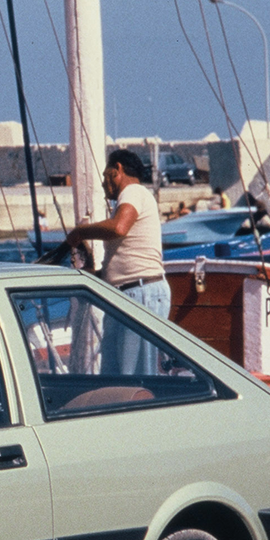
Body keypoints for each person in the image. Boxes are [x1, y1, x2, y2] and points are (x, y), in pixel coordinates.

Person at [62, 148, 167, 373]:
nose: (102, 183)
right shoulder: (131, 199)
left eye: (104, 175)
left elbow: (119, 227)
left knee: (134, 378)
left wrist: (80, 232)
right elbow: (126, 255)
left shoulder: (133, 192)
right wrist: (98, 275)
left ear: (117, 169)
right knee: (114, 376)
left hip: (139, 294)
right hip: (127, 294)